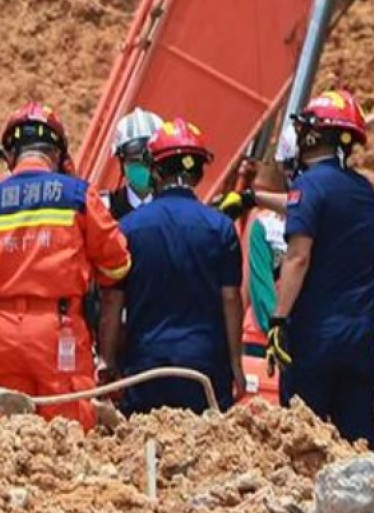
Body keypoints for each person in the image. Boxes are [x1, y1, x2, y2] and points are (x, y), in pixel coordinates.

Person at [0, 102, 131, 430]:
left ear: (9, 154)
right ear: (59, 154)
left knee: (5, 438)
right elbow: (118, 264)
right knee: (68, 435)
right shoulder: (76, 195)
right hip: (58, 331)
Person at [254, 89, 374, 450]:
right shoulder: (362, 190)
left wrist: (278, 319)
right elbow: (311, 205)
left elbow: (298, 257)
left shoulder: (308, 186)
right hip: (359, 334)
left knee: (303, 440)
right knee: (358, 440)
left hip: (316, 336)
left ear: (311, 135)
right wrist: (255, 198)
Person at [99, 119, 245, 412]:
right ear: (199, 171)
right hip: (205, 366)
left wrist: (108, 363)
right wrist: (236, 365)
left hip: (146, 365)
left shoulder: (128, 229)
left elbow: (112, 302)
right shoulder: (221, 228)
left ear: (155, 169)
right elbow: (230, 300)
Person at [240, 161, 288, 404]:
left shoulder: (263, 223)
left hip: (262, 335)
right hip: (291, 337)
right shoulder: (322, 221)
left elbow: (252, 285)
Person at [102, 108, 164, 219]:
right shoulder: (103, 209)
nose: (144, 167)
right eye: (135, 160)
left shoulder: (178, 209)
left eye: (149, 160)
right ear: (121, 162)